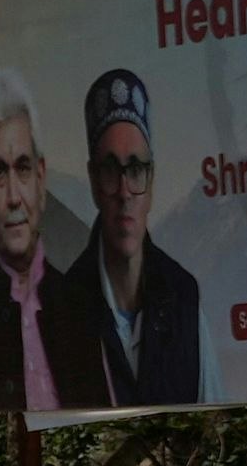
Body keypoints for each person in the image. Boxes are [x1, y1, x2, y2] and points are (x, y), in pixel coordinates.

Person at [0, 67, 110, 412]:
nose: (13, 197)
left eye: (23, 168)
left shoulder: (80, 308)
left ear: (41, 178)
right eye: (0, 172)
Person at [57, 68, 207, 407]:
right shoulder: (63, 311)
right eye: (111, 169)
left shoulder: (184, 298)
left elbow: (213, 404)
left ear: (151, 182)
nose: (125, 192)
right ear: (94, 181)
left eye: (136, 168)